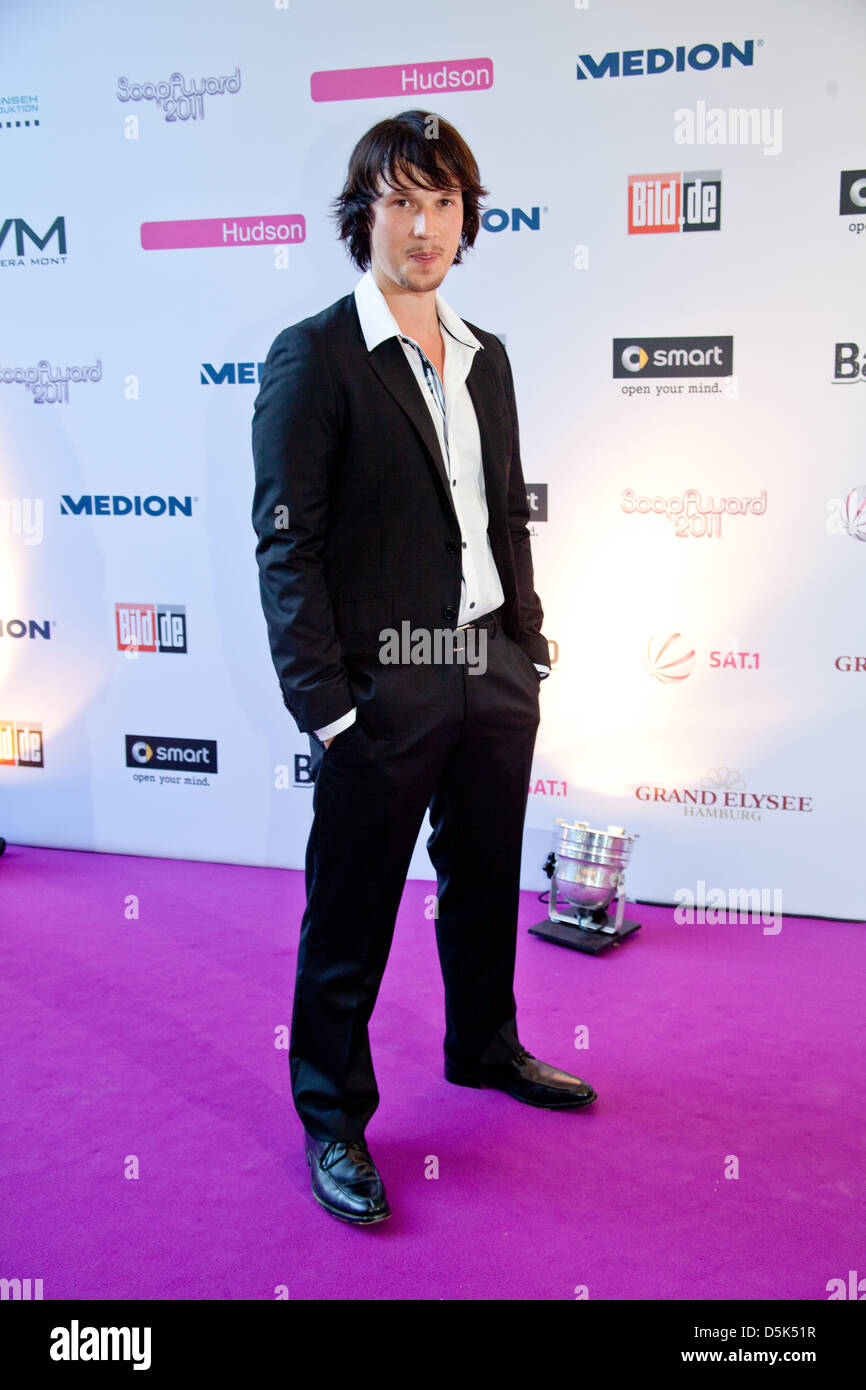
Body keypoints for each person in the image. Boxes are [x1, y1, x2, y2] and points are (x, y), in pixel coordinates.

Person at [251, 109, 596, 1227]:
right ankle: (333, 1115)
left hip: (488, 666)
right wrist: (328, 708)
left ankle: (484, 1044)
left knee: (484, 879)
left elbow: (504, 511)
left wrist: (525, 646)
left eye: (442, 201)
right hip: (383, 683)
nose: (424, 225)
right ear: (364, 217)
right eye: (401, 200)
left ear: (465, 217)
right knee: (349, 909)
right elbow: (287, 541)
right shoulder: (314, 356)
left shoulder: (485, 356)